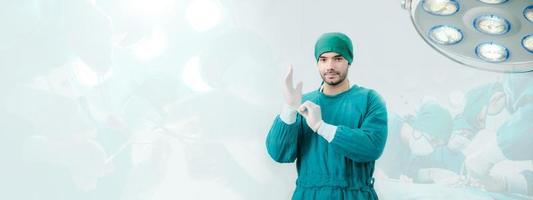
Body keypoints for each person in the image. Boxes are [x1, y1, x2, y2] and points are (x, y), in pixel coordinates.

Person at [265, 32, 388, 199]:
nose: (330, 66)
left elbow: (372, 147)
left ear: (348, 61)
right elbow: (279, 154)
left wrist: (321, 127)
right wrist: (289, 108)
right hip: (309, 195)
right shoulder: (303, 103)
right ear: (317, 62)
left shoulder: (369, 99)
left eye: (337, 58)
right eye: (323, 59)